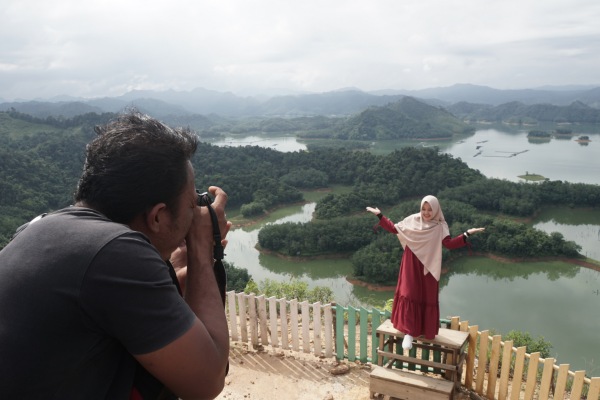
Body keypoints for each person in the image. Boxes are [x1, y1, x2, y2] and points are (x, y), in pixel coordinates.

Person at [0, 112, 231, 399]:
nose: (194, 213)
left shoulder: (39, 228)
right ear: (158, 216)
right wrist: (200, 246)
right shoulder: (117, 253)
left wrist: (174, 273)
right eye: (189, 205)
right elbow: (206, 382)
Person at [366, 195, 484, 350]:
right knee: (410, 293)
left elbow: (448, 244)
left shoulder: (440, 225)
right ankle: (409, 332)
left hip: (428, 265)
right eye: (424, 209)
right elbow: (395, 229)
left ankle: (422, 329)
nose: (426, 212)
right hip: (411, 261)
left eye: (430, 209)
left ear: (436, 210)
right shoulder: (413, 219)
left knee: (425, 295)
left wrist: (467, 234)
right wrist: (380, 215)